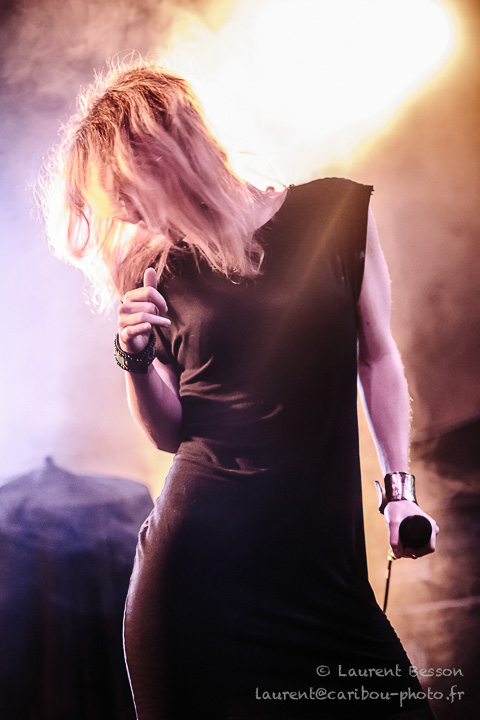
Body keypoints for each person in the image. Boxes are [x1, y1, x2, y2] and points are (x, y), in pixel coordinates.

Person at [41, 60, 439, 720]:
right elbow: (171, 434)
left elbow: (378, 358)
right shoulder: (153, 268)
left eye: (124, 191)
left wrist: (399, 493)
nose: (123, 213)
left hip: (326, 574)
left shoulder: (336, 212)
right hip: (199, 583)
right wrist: (133, 360)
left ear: (165, 153)